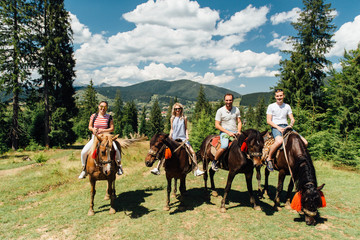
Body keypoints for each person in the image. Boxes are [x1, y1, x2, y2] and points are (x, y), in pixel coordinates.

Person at [151, 102, 204, 177]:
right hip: (174, 138)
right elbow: (172, 129)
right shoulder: (172, 118)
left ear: (181, 109)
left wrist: (187, 136)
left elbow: (186, 129)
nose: (177, 110)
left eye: (179, 109)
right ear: (174, 110)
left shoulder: (184, 118)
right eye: (176, 109)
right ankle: (157, 168)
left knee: (192, 152)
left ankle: (196, 169)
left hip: (183, 138)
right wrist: (170, 136)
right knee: (165, 151)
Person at [265, 89, 308, 172]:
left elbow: (292, 119)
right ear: (275, 97)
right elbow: (268, 121)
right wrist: (277, 127)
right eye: (277, 96)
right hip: (275, 127)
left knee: (305, 142)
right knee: (279, 141)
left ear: (283, 96)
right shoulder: (271, 106)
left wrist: (290, 125)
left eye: (281, 95)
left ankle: (299, 159)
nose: (279, 97)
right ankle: (269, 158)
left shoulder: (287, 106)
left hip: (286, 127)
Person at [78, 101, 123, 179]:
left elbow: (112, 128)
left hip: (106, 137)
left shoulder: (109, 117)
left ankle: (119, 166)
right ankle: (84, 169)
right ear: (98, 106)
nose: (103, 108)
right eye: (101, 106)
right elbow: (89, 126)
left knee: (116, 149)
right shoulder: (93, 116)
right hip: (95, 137)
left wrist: (103, 130)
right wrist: (93, 129)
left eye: (105, 107)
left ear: (107, 108)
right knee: (83, 152)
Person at [212, 93, 242, 171]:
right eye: (227, 100)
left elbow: (239, 122)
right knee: (224, 146)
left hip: (235, 132)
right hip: (224, 132)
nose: (228, 102)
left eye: (230, 100)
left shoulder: (236, 110)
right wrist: (228, 132)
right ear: (224, 100)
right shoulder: (220, 111)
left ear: (233, 100)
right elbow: (217, 125)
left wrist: (239, 131)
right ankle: (214, 161)